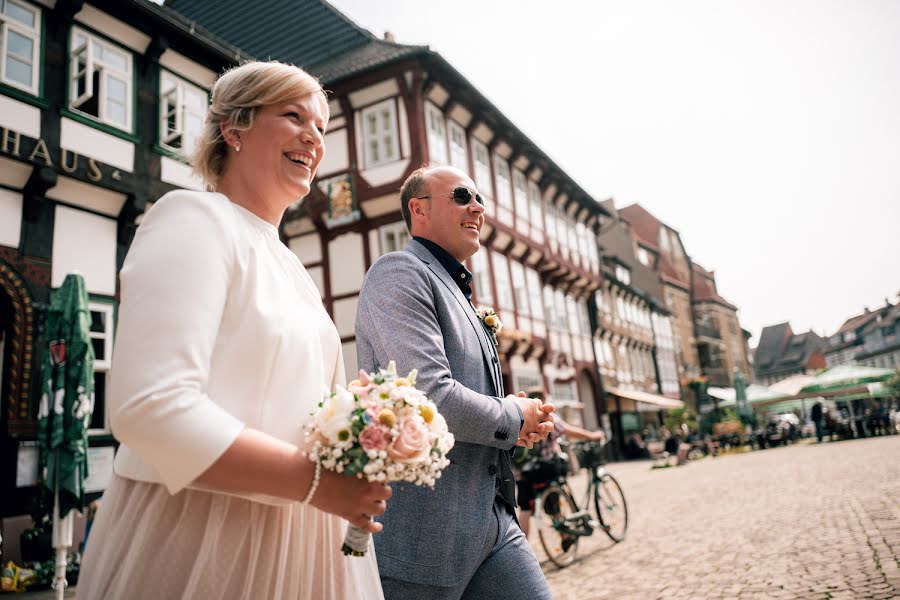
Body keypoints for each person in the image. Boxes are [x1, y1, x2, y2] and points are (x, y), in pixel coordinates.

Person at [76, 61, 391, 600]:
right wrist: (315, 482)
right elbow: (152, 404)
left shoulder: (293, 267)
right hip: (205, 534)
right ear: (234, 128)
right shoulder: (193, 219)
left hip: (307, 541)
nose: (314, 137)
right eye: (294, 116)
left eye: (321, 127)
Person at [355, 165, 555, 600]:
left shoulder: (458, 290)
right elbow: (430, 395)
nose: (478, 207)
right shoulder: (399, 273)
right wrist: (512, 416)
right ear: (418, 209)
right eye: (463, 196)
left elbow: (467, 398)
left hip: (493, 522)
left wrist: (517, 421)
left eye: (479, 198)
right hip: (425, 537)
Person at [514, 389, 606, 539]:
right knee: (553, 499)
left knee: (524, 509)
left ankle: (522, 549)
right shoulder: (546, 417)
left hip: (523, 472)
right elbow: (570, 431)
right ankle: (564, 534)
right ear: (543, 400)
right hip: (545, 469)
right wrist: (593, 436)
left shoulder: (520, 417)